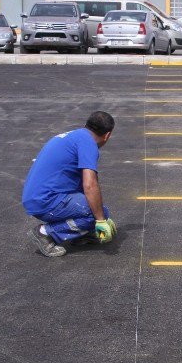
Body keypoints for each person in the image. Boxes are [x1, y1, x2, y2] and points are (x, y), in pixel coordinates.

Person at [22, 111, 117, 258]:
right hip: (45, 201)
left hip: (37, 197)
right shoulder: (89, 144)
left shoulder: (76, 136)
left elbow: (81, 185)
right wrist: (100, 220)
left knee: (98, 210)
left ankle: (81, 234)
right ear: (107, 135)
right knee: (97, 213)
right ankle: (44, 233)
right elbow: (89, 185)